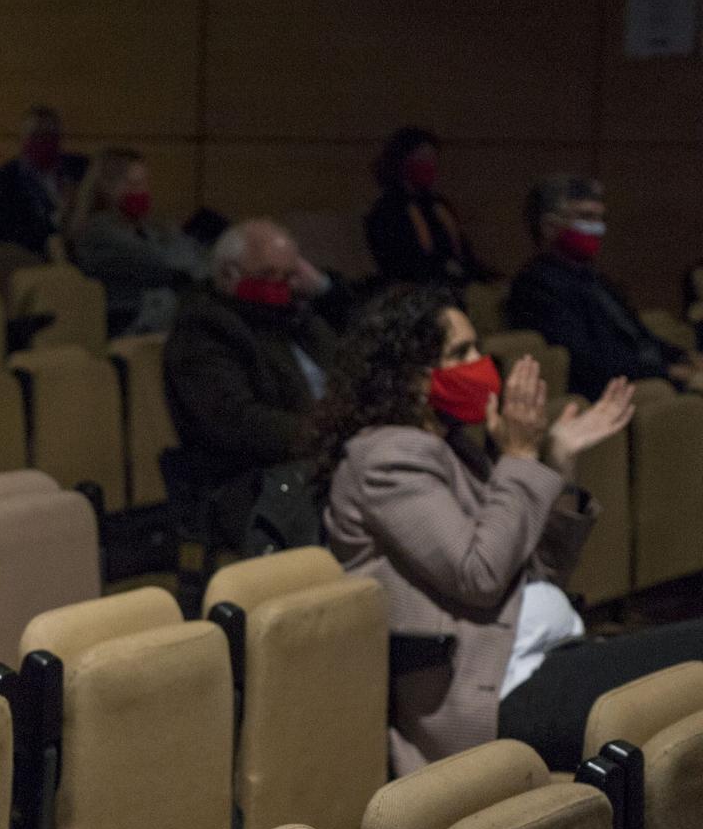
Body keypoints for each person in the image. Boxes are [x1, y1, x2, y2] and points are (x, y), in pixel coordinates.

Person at [315, 285, 701, 772]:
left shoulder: (453, 446)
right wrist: (518, 457)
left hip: (543, 657)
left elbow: (537, 574)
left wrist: (555, 461)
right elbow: (480, 575)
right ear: (410, 378)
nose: (481, 363)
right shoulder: (388, 459)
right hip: (493, 691)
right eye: (461, 353)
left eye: (478, 346)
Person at [162, 219, 341, 539]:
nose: (280, 286)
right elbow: (237, 421)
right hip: (250, 482)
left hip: (321, 460)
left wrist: (325, 290)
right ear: (229, 274)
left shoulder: (297, 317)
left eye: (288, 276)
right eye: (267, 275)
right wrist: (329, 434)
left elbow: (353, 361)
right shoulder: (204, 328)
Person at [506, 174, 699, 400]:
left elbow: (638, 336)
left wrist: (684, 356)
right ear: (549, 226)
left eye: (599, 218)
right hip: (616, 389)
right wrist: (671, 372)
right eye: (586, 217)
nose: (596, 228)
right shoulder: (536, 286)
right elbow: (586, 364)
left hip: (647, 375)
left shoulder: (594, 277)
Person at [67, 146, 208, 336]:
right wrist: (189, 270)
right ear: (107, 186)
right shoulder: (96, 230)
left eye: (143, 183)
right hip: (127, 321)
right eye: (132, 184)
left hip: (160, 314)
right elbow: (157, 262)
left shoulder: (147, 226)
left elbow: (193, 255)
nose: (141, 191)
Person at [363, 126, 494, 288]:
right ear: (402, 161)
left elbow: (461, 252)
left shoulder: (438, 207)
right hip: (415, 296)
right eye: (422, 158)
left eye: (432, 158)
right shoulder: (385, 212)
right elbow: (396, 262)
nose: (429, 165)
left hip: (452, 289)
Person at [0, 104, 87, 258]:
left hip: (84, 248)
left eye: (49, 135)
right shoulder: (4, 180)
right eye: (35, 135)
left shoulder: (80, 168)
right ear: (22, 138)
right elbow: (6, 233)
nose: (43, 141)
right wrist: (58, 220)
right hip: (34, 256)